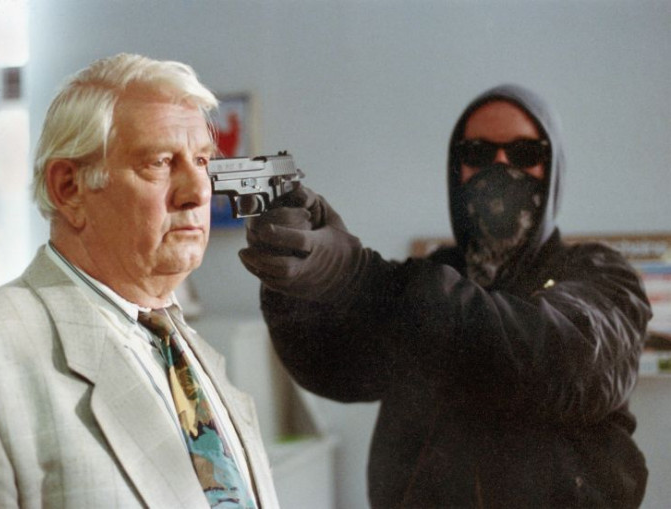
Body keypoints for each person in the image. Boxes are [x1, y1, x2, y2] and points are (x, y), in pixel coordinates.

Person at [239, 84, 651, 508]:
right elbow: (340, 369)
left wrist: (358, 274)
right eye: (478, 152)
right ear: (457, 169)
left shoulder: (600, 274)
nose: (500, 167)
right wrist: (296, 279)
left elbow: (569, 362)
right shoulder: (431, 275)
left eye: (524, 153)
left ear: (553, 170)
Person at [0, 53, 279, 508]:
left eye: (201, 160)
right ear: (69, 189)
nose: (198, 191)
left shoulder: (184, 347)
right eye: (160, 162)